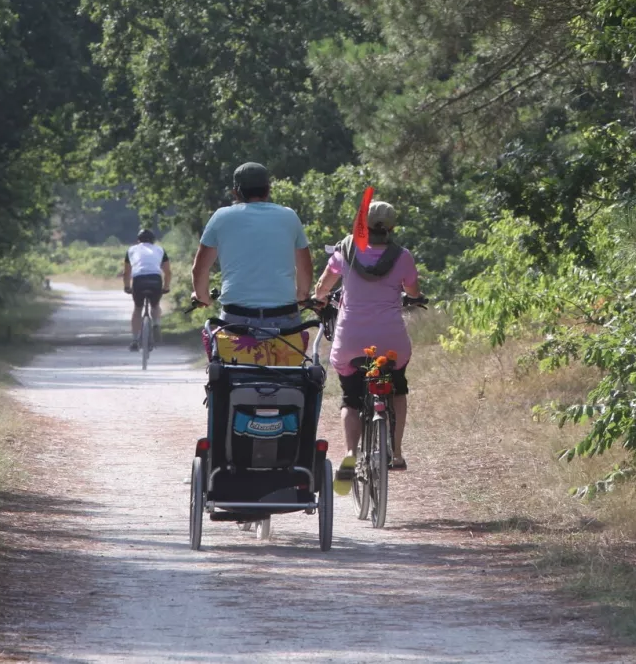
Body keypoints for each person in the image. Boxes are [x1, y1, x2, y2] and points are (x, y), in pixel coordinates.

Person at [312, 199, 421, 478]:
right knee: (397, 389)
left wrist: (319, 298)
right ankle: (396, 453)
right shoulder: (403, 256)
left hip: (351, 340)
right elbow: (413, 290)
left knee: (350, 397)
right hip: (390, 341)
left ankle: (350, 454)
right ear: (391, 226)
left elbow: (324, 286)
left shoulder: (345, 249)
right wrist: (414, 298)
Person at [191, 162, 313, 323]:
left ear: (235, 192)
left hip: (236, 318)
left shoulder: (221, 217)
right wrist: (302, 295)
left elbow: (199, 269)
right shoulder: (289, 216)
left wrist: (202, 296)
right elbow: (305, 266)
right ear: (268, 190)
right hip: (284, 316)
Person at [122, 228, 171, 352]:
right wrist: (166, 287)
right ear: (153, 240)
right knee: (155, 305)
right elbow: (167, 272)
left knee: (138, 309)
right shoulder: (160, 250)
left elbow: (126, 272)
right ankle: (156, 324)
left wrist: (127, 287)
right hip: (155, 279)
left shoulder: (131, 250)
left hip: (139, 280)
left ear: (138, 240)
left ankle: (134, 340)